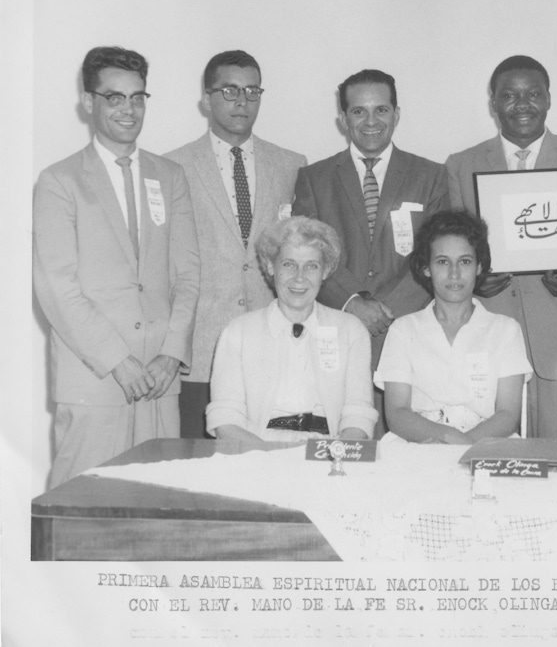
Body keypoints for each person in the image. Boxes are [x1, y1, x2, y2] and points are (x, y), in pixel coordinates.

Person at [33, 46, 200, 487]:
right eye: (114, 97)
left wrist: (172, 354)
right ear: (89, 103)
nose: (129, 109)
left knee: (159, 508)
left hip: (160, 381)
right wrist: (118, 361)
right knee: (81, 512)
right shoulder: (58, 181)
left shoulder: (171, 176)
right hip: (96, 378)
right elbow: (57, 288)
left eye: (138, 97)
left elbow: (187, 275)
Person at [446, 55, 557, 438]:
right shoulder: (461, 164)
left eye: (533, 94)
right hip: (487, 329)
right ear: (493, 102)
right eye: (509, 95)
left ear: (549, 99)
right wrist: (473, 283)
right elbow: (452, 250)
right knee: (489, 457)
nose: (522, 104)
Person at [293, 69, 448, 435]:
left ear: (397, 113)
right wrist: (351, 303)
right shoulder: (313, 178)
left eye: (381, 110)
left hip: (407, 328)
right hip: (336, 329)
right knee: (342, 439)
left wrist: (390, 309)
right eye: (359, 112)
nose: (371, 121)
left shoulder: (431, 176)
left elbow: (437, 253)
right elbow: (309, 253)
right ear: (343, 119)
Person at [166, 50, 306, 439]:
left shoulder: (292, 165)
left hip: (271, 346)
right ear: (206, 99)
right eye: (229, 90)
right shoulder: (173, 167)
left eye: (251, 90)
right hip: (202, 350)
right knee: (202, 470)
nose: (242, 100)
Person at [206, 217, 377, 442]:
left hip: (327, 449)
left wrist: (336, 454)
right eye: (289, 264)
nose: (299, 277)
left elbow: (359, 414)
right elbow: (225, 419)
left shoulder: (351, 331)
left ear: (325, 271)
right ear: (270, 266)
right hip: (257, 449)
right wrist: (266, 458)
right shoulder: (238, 332)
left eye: (311, 266)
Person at [374, 210, 532, 444]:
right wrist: (448, 438)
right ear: (426, 268)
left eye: (465, 261)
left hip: (486, 443)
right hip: (418, 443)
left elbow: (508, 415)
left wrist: (464, 445)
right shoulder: (403, 329)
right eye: (442, 262)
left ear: (479, 267)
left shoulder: (505, 330)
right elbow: (397, 413)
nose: (454, 273)